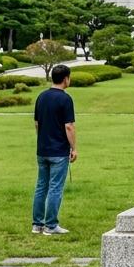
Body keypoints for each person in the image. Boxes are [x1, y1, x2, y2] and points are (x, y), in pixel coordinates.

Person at [32, 64, 76, 235]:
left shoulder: (41, 97)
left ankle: (37, 224)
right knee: (55, 187)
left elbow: (37, 123)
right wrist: (73, 148)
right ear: (66, 78)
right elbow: (69, 126)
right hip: (58, 150)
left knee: (41, 186)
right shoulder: (65, 99)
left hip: (42, 149)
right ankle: (51, 225)